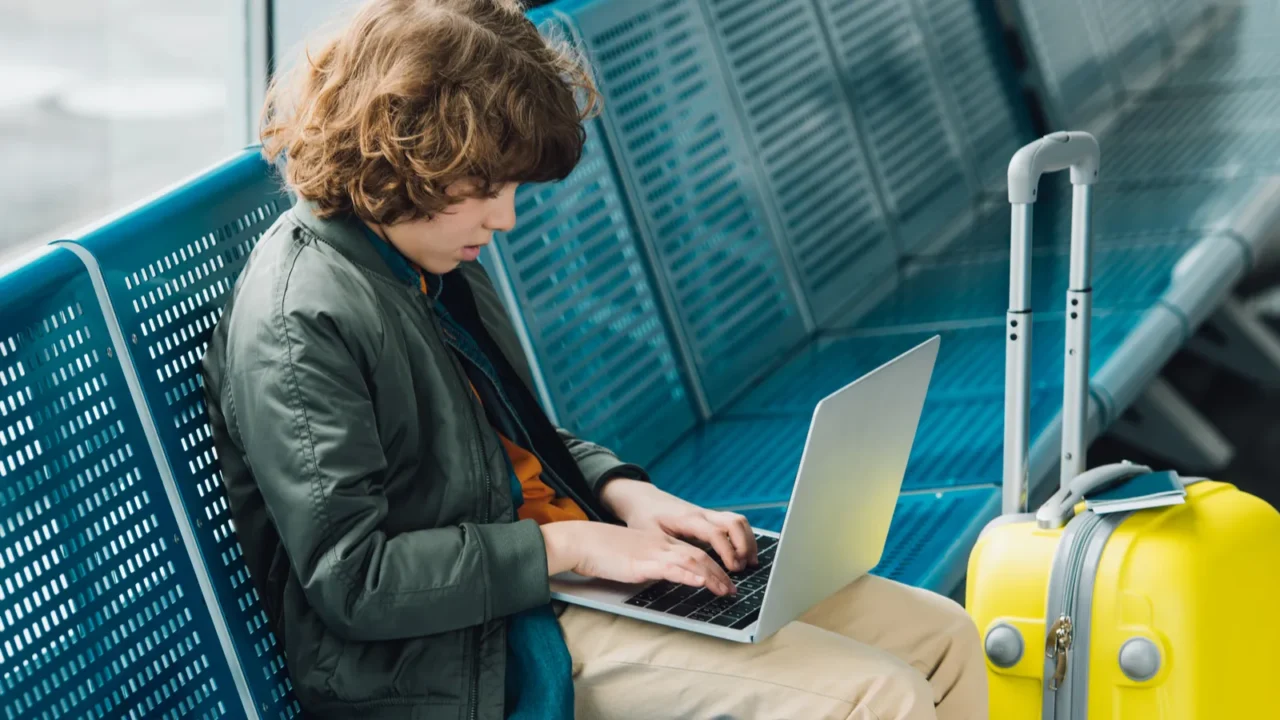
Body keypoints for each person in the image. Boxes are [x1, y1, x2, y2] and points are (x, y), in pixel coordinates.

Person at [200, 1, 989, 718]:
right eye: (485, 188)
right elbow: (355, 581)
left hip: (563, 576)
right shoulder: (300, 320)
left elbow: (499, 447)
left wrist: (621, 493)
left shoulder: (426, 252)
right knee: (878, 697)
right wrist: (570, 547)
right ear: (404, 154)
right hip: (464, 651)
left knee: (943, 639)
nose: (505, 218)